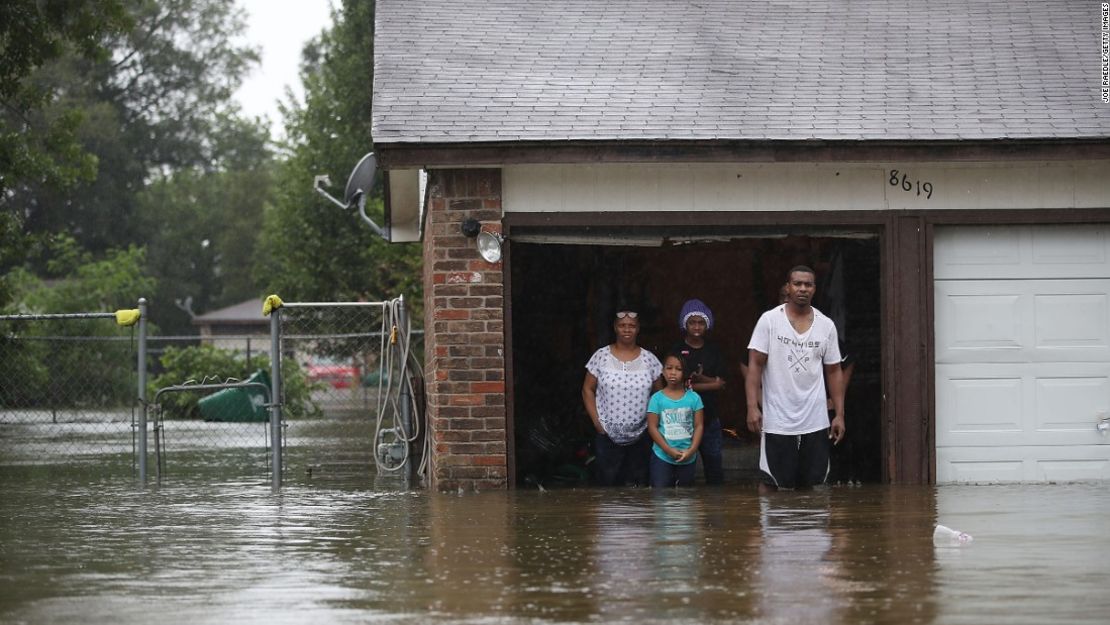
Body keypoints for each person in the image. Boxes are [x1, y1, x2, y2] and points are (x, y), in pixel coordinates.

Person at [745, 266, 846, 491]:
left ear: (814, 289)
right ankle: (772, 527)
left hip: (816, 420)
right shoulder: (769, 321)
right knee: (771, 484)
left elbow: (834, 371)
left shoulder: (826, 325)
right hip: (778, 421)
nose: (802, 289)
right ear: (788, 287)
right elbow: (755, 366)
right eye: (797, 284)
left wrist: (839, 414)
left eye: (808, 284)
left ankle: (810, 527)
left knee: (814, 486)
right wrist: (752, 406)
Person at [582, 308, 663, 486]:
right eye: (622, 326)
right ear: (615, 328)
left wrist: (652, 424)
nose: (627, 329)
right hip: (607, 436)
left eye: (632, 326)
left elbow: (660, 395)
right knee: (607, 488)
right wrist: (597, 422)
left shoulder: (650, 360)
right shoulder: (601, 356)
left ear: (638, 328)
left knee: (637, 489)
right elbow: (587, 389)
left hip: (641, 436)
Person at [671, 298, 726, 485]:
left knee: (714, 469)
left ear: (707, 324)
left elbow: (722, 383)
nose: (696, 326)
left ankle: (714, 510)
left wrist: (700, 380)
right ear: (684, 324)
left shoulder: (714, 350)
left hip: (709, 416)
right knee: (682, 470)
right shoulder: (676, 350)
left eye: (701, 322)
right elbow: (677, 385)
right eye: (692, 322)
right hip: (681, 418)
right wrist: (712, 383)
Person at [646, 353, 704, 488]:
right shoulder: (656, 398)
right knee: (660, 496)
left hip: (688, 456)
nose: (673, 373)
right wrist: (668, 450)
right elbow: (652, 427)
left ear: (685, 373)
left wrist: (692, 450)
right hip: (662, 456)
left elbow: (699, 425)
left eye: (678, 369)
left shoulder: (694, 398)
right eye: (669, 368)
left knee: (685, 499)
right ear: (662, 371)